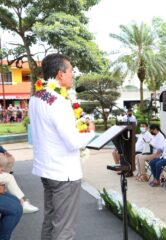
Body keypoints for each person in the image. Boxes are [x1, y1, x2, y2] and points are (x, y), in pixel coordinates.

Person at [29, 53, 96, 240]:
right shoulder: (59, 101)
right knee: (65, 228)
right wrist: (90, 131)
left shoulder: (36, 97)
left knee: (50, 220)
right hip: (63, 173)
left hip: (46, 169)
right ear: (60, 74)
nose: (72, 76)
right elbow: (73, 142)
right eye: (71, 71)